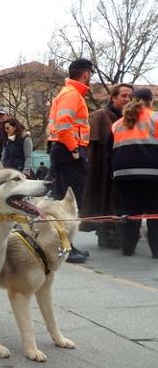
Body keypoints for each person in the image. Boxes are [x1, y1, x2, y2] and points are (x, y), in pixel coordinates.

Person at [47, 58, 93, 263]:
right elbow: (65, 126)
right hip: (69, 152)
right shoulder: (72, 95)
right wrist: (75, 151)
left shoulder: (67, 93)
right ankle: (66, 247)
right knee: (70, 203)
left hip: (63, 151)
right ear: (86, 74)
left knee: (63, 201)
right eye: (90, 74)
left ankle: (65, 246)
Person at [83, 83, 133, 248]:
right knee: (103, 200)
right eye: (124, 95)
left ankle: (120, 231)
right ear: (113, 97)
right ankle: (105, 233)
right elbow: (92, 147)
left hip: (123, 166)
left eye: (130, 96)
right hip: (102, 168)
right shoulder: (99, 115)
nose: (128, 99)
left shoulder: (131, 118)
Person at [111, 88, 158, 258]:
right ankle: (156, 252)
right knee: (154, 213)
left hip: (123, 175)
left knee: (130, 213)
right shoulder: (155, 118)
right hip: (153, 173)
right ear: (150, 101)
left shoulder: (117, 124)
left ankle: (128, 249)